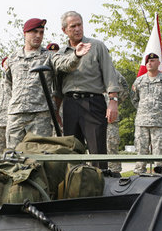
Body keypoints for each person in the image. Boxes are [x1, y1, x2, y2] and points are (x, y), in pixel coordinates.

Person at [52, 11, 122, 169]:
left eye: (79, 25)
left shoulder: (96, 46)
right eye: (73, 26)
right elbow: (58, 86)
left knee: (97, 150)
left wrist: (113, 101)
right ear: (64, 30)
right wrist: (56, 111)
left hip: (93, 103)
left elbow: (109, 74)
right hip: (70, 105)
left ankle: (101, 185)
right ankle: (76, 187)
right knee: (72, 151)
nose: (77, 29)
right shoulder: (60, 54)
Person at [5, 18, 80, 148]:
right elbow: (8, 83)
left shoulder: (49, 56)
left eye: (41, 32)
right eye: (34, 32)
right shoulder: (13, 58)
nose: (38, 36)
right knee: (12, 155)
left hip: (40, 115)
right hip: (16, 114)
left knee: (39, 156)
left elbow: (65, 65)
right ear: (25, 33)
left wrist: (76, 55)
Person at [132, 53, 162, 174]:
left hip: (160, 123)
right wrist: (144, 111)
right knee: (140, 154)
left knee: (160, 156)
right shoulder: (139, 81)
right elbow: (134, 99)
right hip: (142, 123)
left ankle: (160, 181)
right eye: (147, 61)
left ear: (159, 63)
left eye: (152, 60)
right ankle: (138, 180)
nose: (149, 63)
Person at [106, 71, 129, 176]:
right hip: (92, 116)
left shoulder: (114, 73)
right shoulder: (91, 69)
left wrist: (116, 103)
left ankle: (115, 172)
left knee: (112, 145)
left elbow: (125, 89)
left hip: (111, 119)